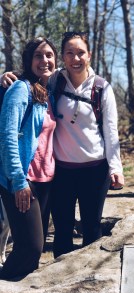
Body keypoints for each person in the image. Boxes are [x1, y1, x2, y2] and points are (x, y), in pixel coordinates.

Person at [1, 31, 125, 259]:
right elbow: (33, 74)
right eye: (69, 53)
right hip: (62, 172)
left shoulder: (101, 88)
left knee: (91, 228)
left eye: (81, 53)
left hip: (96, 171)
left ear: (89, 55)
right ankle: (62, 284)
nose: (75, 59)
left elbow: (111, 131)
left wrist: (116, 168)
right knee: (62, 231)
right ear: (63, 58)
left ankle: (89, 279)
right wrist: (6, 76)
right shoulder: (56, 80)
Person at [0, 37, 57, 280]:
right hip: (23, 179)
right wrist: (18, 181)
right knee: (29, 249)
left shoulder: (49, 90)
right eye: (38, 56)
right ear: (28, 60)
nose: (44, 60)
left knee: (34, 252)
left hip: (45, 179)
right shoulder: (20, 88)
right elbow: (7, 136)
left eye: (49, 55)